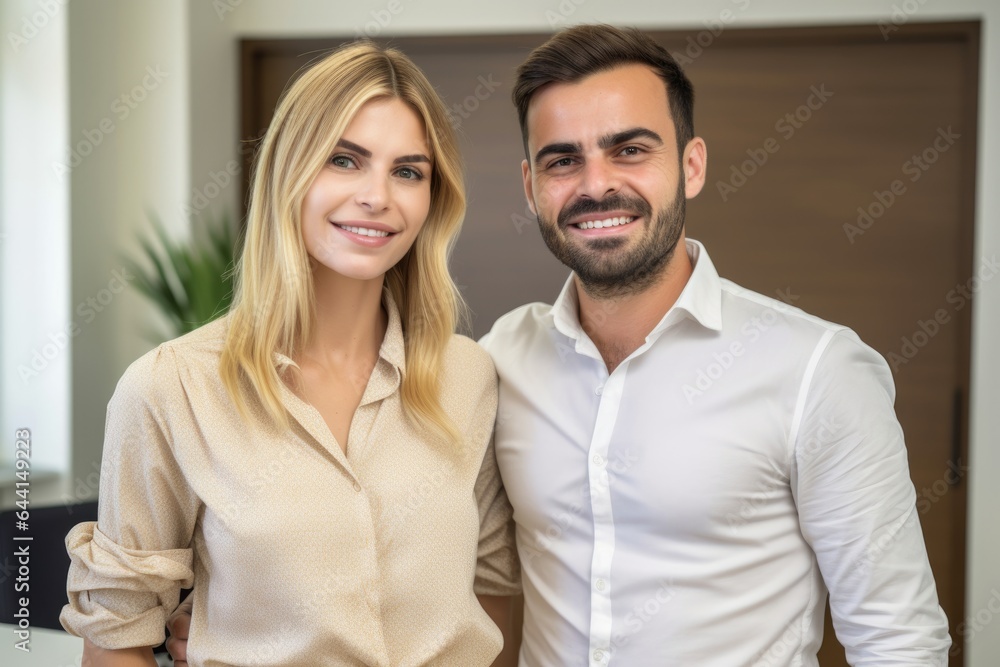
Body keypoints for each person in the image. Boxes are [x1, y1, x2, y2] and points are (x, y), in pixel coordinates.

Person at [476, 24, 951, 665]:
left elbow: (897, 639)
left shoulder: (819, 370)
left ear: (691, 165)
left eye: (630, 150)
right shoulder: (502, 357)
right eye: (564, 160)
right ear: (532, 187)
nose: (596, 186)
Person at [60, 40, 519, 667]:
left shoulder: (468, 377)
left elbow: (494, 590)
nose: (377, 196)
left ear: (432, 199)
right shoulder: (172, 389)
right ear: (289, 171)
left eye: (408, 171)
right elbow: (116, 640)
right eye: (345, 160)